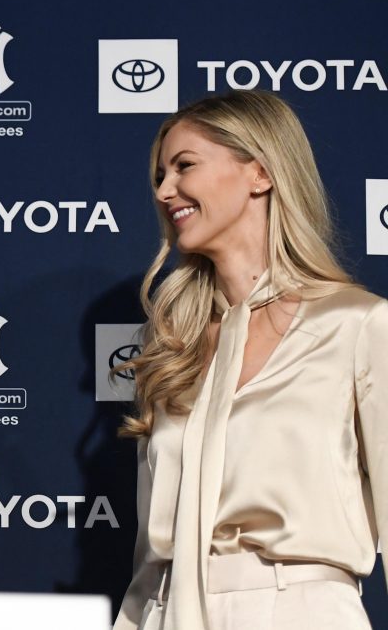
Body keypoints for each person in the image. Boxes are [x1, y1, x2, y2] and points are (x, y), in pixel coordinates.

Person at [113, 90, 386, 629]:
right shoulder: (171, 344)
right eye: (161, 176)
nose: (165, 191)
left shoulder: (357, 324)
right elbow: (150, 549)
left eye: (184, 166)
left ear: (259, 173)